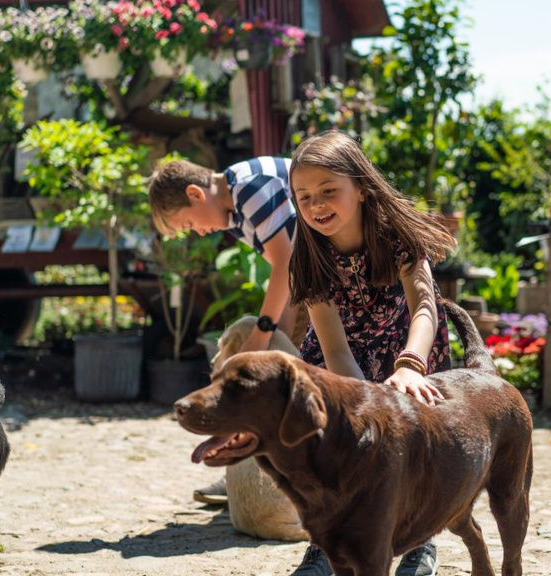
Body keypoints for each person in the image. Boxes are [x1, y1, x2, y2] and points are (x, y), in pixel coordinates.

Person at [286, 131, 456, 576]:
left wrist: (409, 366)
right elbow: (334, 345)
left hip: (408, 347)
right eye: (304, 197)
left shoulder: (396, 237)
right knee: (331, 443)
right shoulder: (308, 255)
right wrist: (361, 403)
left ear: (361, 188)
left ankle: (421, 542)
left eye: (328, 191)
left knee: (420, 443)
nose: (316, 205)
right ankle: (325, 545)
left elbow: (424, 306)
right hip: (342, 357)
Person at [148, 156, 300, 504]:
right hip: (312, 286)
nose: (199, 232)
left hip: (345, 284)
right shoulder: (233, 211)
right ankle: (244, 473)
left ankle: (266, 479)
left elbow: (288, 265)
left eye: (189, 224)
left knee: (251, 357)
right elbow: (293, 277)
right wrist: (280, 340)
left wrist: (262, 336)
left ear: (196, 194)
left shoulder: (250, 188)